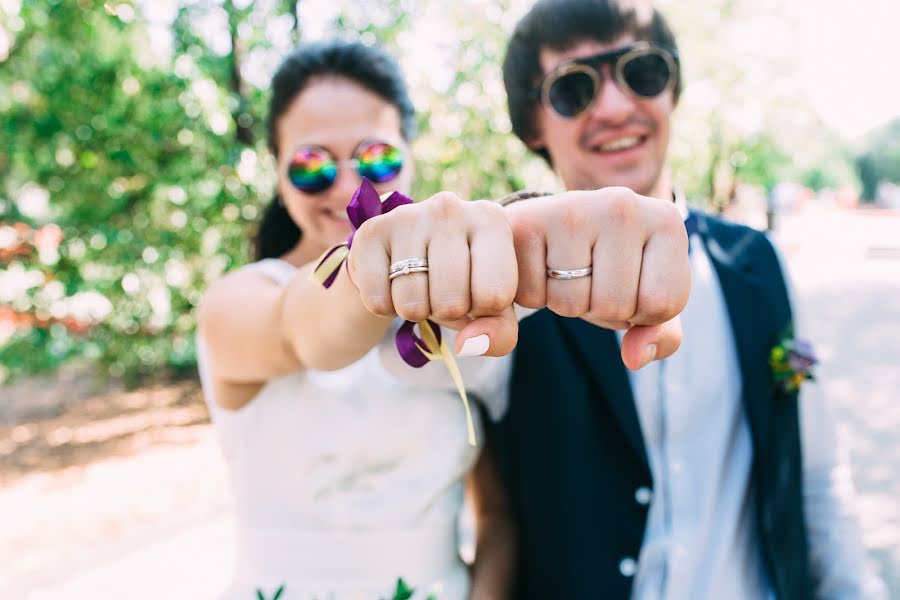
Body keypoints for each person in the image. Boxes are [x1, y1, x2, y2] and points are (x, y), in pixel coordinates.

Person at [197, 39, 690, 599]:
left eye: (374, 156)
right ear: (278, 172)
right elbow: (303, 333)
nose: (347, 185)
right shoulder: (236, 302)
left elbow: (496, 515)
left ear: (410, 153)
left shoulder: (465, 309)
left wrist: (523, 243)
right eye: (311, 164)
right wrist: (381, 264)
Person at [488, 1, 887, 599]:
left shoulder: (758, 262)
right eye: (574, 87)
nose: (617, 106)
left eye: (641, 72)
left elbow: (815, 475)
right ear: (532, 124)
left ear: (673, 88)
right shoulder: (505, 282)